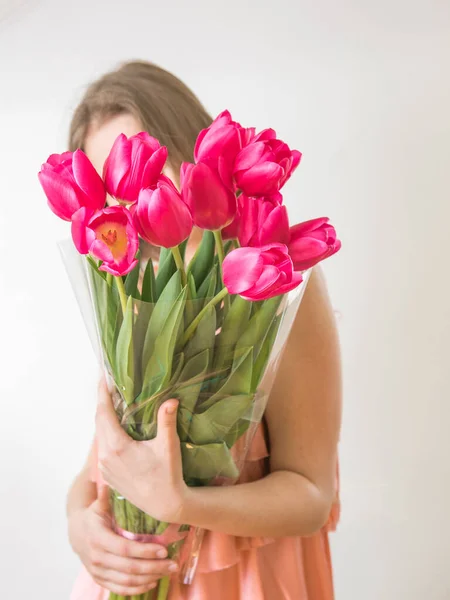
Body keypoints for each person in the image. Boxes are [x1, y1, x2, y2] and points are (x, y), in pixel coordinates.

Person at [67, 60, 342, 600]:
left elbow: (311, 496)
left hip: (245, 584)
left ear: (193, 153)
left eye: (149, 166)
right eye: (112, 186)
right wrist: (79, 527)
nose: (132, 199)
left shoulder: (277, 286)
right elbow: (103, 462)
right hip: (121, 580)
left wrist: (181, 505)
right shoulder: (131, 292)